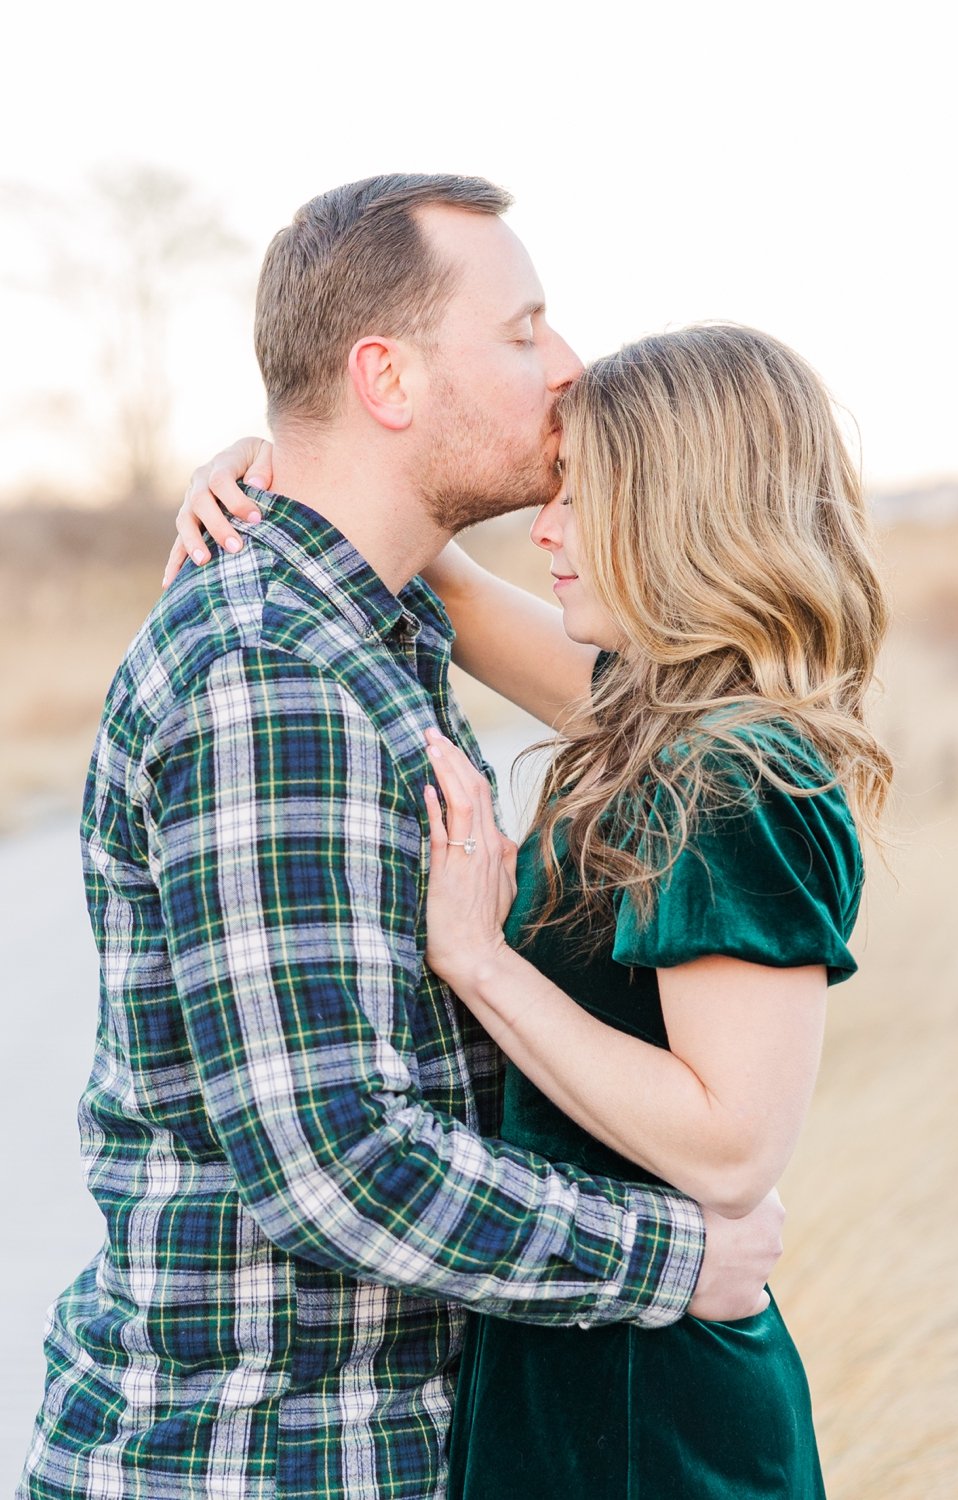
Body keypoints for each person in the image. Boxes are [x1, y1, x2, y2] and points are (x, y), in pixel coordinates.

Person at [18, 178, 783, 1500]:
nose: (566, 365)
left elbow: (702, 737)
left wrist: (297, 479)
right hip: (261, 1459)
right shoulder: (275, 674)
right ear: (386, 376)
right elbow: (336, 1167)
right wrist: (675, 1260)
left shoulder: (380, 629)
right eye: (523, 329)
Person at [171, 323, 891, 1497]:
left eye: (579, 497)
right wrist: (274, 469)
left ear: (673, 513)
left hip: (649, 1409)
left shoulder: (736, 772)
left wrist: (477, 961)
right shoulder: (658, 719)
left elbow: (732, 1144)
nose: (545, 528)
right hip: (567, 1357)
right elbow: (425, 566)